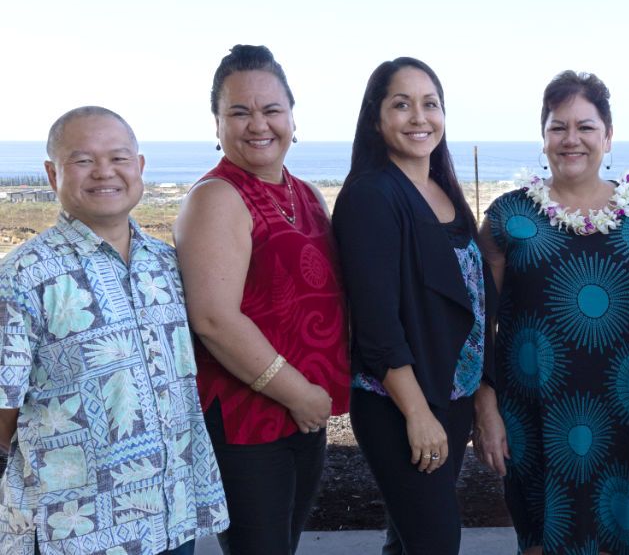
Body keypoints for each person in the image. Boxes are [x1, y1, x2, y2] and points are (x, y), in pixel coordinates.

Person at [0, 106, 229, 555]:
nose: (104, 172)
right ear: (52, 173)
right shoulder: (23, 276)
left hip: (172, 516)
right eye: (83, 160)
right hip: (76, 530)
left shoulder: (166, 265)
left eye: (119, 158)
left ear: (139, 167)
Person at [474, 70, 629, 555]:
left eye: (585, 126)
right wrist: (485, 407)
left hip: (624, 412)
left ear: (607, 136)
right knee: (542, 540)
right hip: (533, 414)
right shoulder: (508, 217)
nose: (571, 139)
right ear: (543, 139)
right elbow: (478, 322)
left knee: (615, 539)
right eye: (558, 127)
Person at [173, 45, 350, 555]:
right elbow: (213, 319)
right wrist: (300, 394)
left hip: (301, 411)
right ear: (217, 124)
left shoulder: (307, 194)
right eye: (239, 111)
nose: (259, 124)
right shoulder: (216, 198)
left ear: (292, 116)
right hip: (248, 418)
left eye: (271, 109)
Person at [332, 57, 494, 555]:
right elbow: (378, 324)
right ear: (376, 119)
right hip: (401, 403)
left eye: (430, 104)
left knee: (408, 541)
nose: (419, 117)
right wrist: (419, 414)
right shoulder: (371, 196)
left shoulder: (441, 190)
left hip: (449, 396)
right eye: (401, 104)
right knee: (435, 541)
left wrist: (479, 396)